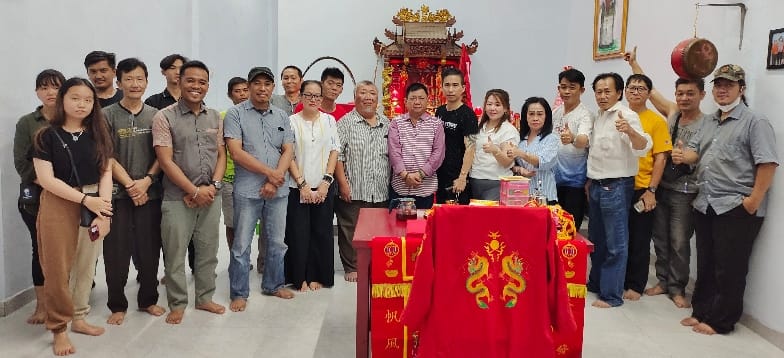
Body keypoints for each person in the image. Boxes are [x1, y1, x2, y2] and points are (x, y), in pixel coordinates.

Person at [673, 64, 778, 335]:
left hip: (736, 206)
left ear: (741, 89)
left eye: (729, 85)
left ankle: (721, 320)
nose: (722, 90)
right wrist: (684, 156)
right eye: (718, 85)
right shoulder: (708, 120)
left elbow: (767, 164)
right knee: (706, 262)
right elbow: (696, 152)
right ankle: (701, 311)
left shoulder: (755, 121)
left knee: (729, 267)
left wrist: (752, 201)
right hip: (705, 201)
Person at [33, 77, 114, 355]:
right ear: (63, 100)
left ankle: (79, 317)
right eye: (75, 98)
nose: (82, 104)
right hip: (60, 202)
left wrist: (104, 212)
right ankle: (59, 329)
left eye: (88, 100)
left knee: (85, 265)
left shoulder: (99, 134)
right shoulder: (46, 136)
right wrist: (85, 200)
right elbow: (45, 179)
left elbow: (106, 172)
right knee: (57, 269)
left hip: (94, 200)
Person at [624, 46, 706, 308]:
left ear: (701, 95)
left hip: (685, 190)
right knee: (659, 237)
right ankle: (662, 279)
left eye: (690, 94)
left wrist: (690, 158)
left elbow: (704, 154)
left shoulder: (708, 123)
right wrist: (634, 65)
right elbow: (648, 90)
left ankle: (677, 287)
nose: (684, 98)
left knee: (679, 241)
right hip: (660, 187)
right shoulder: (672, 114)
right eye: (680, 93)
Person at [152, 60, 227, 324]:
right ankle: (177, 303)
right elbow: (165, 160)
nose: (196, 86)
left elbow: (221, 154)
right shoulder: (164, 116)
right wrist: (193, 190)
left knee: (208, 251)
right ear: (179, 81)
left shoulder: (214, 116)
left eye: (202, 82)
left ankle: (205, 298)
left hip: (210, 196)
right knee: (174, 254)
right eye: (191, 80)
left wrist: (213, 187)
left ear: (208, 85)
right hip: (176, 198)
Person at [224, 66, 296, 310]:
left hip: (279, 190)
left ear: (273, 88)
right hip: (247, 190)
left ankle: (274, 284)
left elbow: (288, 148)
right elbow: (236, 152)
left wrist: (275, 179)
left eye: (267, 84)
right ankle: (239, 292)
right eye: (257, 83)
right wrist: (270, 174)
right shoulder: (235, 114)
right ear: (250, 85)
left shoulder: (281, 115)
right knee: (242, 244)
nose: (262, 88)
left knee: (277, 242)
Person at [102, 58, 166, 325]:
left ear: (147, 82)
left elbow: (163, 154)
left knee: (149, 250)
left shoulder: (156, 115)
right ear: (119, 82)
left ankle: (148, 300)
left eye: (140, 79)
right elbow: (107, 156)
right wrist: (130, 184)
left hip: (149, 194)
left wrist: (146, 182)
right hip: (118, 194)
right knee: (116, 252)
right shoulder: (106, 115)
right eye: (129, 79)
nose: (135, 84)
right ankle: (117, 304)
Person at [586, 72, 651, 308]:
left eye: (607, 91)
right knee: (597, 239)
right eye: (599, 91)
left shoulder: (627, 115)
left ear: (619, 93)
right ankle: (596, 284)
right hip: (596, 184)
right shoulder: (599, 116)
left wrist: (631, 131)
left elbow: (643, 146)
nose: (602, 96)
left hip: (616, 185)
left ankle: (612, 295)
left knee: (616, 243)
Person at [13, 69, 65, 325]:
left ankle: (66, 305)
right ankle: (42, 306)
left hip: (68, 199)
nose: (50, 92)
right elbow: (21, 164)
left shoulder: (73, 118)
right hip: (36, 198)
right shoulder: (27, 122)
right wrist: (49, 182)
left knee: (66, 253)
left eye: (55, 87)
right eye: (44, 87)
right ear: (37, 92)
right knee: (40, 251)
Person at [621, 74, 672, 301]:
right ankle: (617, 279)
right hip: (617, 185)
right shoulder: (618, 115)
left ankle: (634, 284)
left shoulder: (656, 121)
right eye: (631, 88)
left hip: (642, 187)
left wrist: (651, 190)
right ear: (624, 91)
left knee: (639, 238)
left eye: (641, 88)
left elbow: (661, 158)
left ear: (648, 93)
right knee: (618, 237)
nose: (635, 92)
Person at [285, 80, 339, 291]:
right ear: (300, 96)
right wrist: (302, 184)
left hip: (324, 184)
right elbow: (288, 154)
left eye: (317, 96)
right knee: (298, 233)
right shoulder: (290, 121)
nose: (313, 100)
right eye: (309, 95)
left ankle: (318, 275)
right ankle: (300, 278)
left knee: (322, 232)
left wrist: (326, 182)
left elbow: (335, 150)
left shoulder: (329, 120)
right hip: (297, 185)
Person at [334, 81, 390, 282]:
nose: (368, 96)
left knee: (378, 231)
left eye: (372, 93)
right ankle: (352, 267)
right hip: (354, 187)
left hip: (380, 188)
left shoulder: (387, 123)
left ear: (378, 99)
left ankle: (375, 264)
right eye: (363, 92)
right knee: (350, 229)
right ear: (355, 96)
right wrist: (343, 183)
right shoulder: (345, 123)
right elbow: (337, 156)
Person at [388, 82, 445, 209]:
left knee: (423, 226)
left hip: (425, 188)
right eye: (413, 98)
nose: (417, 102)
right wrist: (405, 176)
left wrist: (420, 174)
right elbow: (394, 151)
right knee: (397, 226)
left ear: (427, 100)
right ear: (405, 101)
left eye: (421, 98)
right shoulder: (396, 123)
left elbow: (438, 153)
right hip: (400, 187)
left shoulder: (436, 124)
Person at [553, 68, 593, 229]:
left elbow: (584, 140)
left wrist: (573, 138)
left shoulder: (585, 115)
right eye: (563, 87)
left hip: (574, 183)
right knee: (553, 226)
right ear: (558, 89)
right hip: (553, 181)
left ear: (581, 90)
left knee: (569, 229)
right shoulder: (556, 112)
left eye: (572, 87)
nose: (567, 91)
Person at [435, 67, 478, 204]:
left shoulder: (468, 115)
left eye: (455, 85)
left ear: (463, 88)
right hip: (440, 174)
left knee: (456, 219)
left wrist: (462, 177)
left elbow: (471, 148)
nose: (450, 90)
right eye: (447, 85)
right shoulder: (440, 111)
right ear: (441, 87)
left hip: (457, 177)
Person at [469, 89, 519, 200]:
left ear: (505, 108)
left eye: (497, 105)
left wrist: (495, 150)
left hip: (496, 183)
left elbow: (507, 161)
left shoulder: (508, 130)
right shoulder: (479, 126)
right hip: (474, 180)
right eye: (489, 104)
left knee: (489, 216)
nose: (492, 108)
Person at [506, 97, 559, 203]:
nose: (535, 118)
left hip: (545, 196)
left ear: (546, 116)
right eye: (531, 114)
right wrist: (519, 170)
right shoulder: (520, 138)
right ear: (525, 116)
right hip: (521, 195)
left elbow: (544, 161)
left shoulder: (552, 138)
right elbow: (511, 164)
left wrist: (521, 153)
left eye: (539, 114)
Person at [221, 77, 249, 251]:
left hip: (253, 179)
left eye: (245, 90)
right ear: (230, 95)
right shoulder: (222, 117)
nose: (242, 94)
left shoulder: (258, 115)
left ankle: (245, 257)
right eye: (237, 91)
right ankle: (235, 258)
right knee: (232, 223)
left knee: (249, 223)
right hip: (229, 178)